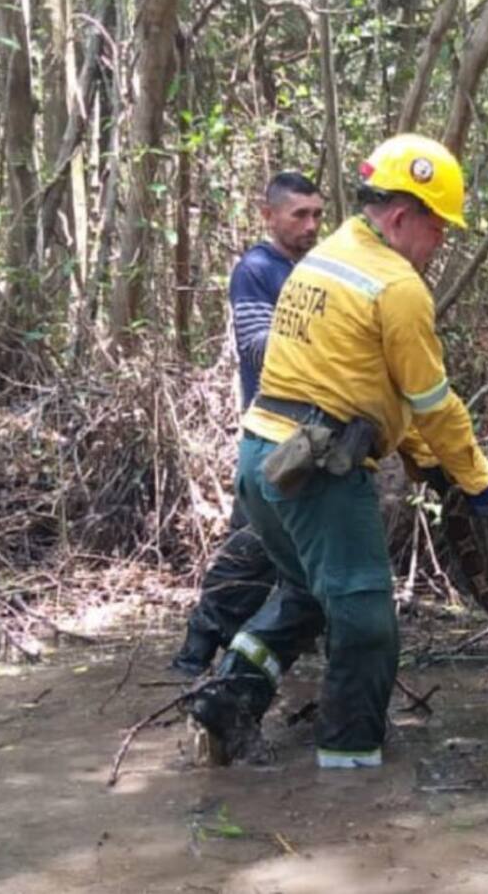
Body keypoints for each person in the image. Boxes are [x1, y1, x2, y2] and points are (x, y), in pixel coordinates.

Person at [189, 133, 488, 769]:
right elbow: (433, 404)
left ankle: (228, 701)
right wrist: (478, 482)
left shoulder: (324, 258)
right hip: (319, 472)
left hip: (261, 461)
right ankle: (350, 773)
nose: (442, 243)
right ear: (401, 217)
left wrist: (431, 462)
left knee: (306, 595)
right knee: (366, 618)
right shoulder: (397, 286)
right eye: (439, 227)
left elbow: (366, 386)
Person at [170, 172, 325, 677]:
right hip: (271, 438)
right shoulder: (256, 270)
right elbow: (257, 344)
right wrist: (330, 337)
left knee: (286, 555)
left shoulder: (315, 271)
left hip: (311, 439)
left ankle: (261, 660)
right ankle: (196, 655)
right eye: (299, 214)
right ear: (269, 215)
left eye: (317, 214)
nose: (310, 224)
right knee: (250, 549)